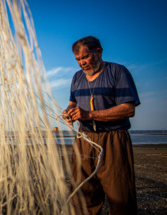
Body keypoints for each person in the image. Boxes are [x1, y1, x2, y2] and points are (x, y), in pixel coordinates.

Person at [63, 36, 140, 215]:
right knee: (83, 194)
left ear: (98, 52)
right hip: (84, 139)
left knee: (120, 195)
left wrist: (89, 114)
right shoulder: (77, 77)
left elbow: (128, 109)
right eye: (78, 60)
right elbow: (72, 103)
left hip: (113, 140)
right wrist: (69, 112)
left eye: (85, 57)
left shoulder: (118, 72)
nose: (82, 63)